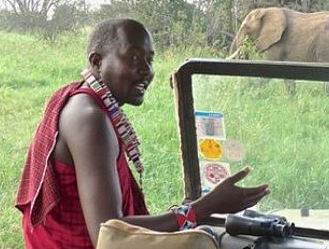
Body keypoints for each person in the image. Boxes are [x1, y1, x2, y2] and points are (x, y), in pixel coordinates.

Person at [16, 18, 269, 248]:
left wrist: (194, 209)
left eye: (150, 59)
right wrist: (202, 208)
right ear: (97, 62)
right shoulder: (90, 118)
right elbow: (109, 235)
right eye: (134, 58)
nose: (147, 70)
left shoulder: (84, 100)